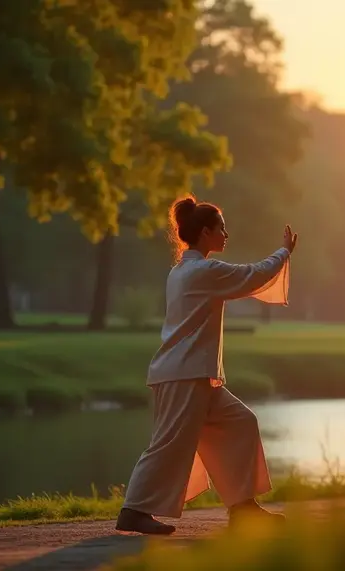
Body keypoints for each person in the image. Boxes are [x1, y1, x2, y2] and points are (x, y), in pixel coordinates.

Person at [115, 196, 297, 535]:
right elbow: (253, 275)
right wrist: (284, 251)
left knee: (241, 423)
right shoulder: (203, 271)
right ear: (205, 232)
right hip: (184, 374)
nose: (226, 234)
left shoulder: (184, 270)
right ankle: (133, 510)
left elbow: (246, 279)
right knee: (168, 443)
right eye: (221, 228)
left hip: (197, 375)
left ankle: (242, 506)